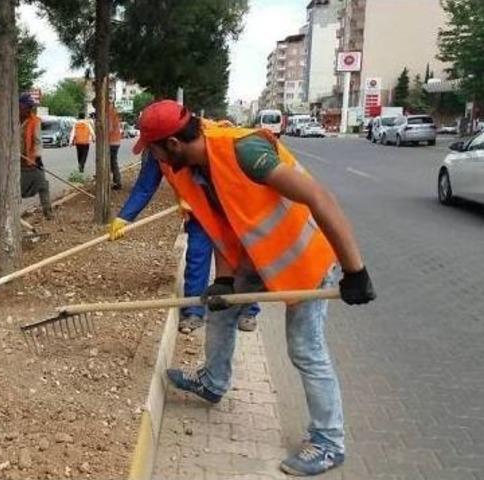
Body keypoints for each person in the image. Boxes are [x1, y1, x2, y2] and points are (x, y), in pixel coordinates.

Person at [133, 100, 376, 476]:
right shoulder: (195, 169)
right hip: (257, 258)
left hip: (304, 259)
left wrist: (354, 270)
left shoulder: (245, 150)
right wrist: (226, 280)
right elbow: (221, 226)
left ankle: (329, 441)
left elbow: (318, 196)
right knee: (221, 310)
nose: (152, 156)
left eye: (152, 148)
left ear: (173, 144)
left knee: (305, 350)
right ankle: (213, 382)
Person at [109, 148, 261, 334]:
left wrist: (204, 193)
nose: (156, 152)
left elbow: (230, 174)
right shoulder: (157, 152)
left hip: (229, 208)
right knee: (197, 256)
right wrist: (125, 217)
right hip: (197, 213)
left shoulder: (201, 142)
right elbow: (145, 187)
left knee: (240, 259)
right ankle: (194, 311)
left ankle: (248, 310)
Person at [19, 94, 53, 219]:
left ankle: (48, 213)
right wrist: (0, 138)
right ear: (19, 105)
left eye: (31, 107)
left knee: (43, 185)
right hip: (14, 161)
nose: (29, 109)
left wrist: (38, 157)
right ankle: (13, 214)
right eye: (27, 106)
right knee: (15, 190)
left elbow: (38, 141)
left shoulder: (34, 121)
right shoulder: (9, 117)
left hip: (31, 160)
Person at [107, 101, 123, 190]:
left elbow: (109, 128)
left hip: (111, 142)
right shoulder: (115, 113)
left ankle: (117, 182)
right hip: (116, 141)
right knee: (113, 162)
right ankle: (116, 181)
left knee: (112, 162)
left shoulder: (109, 114)